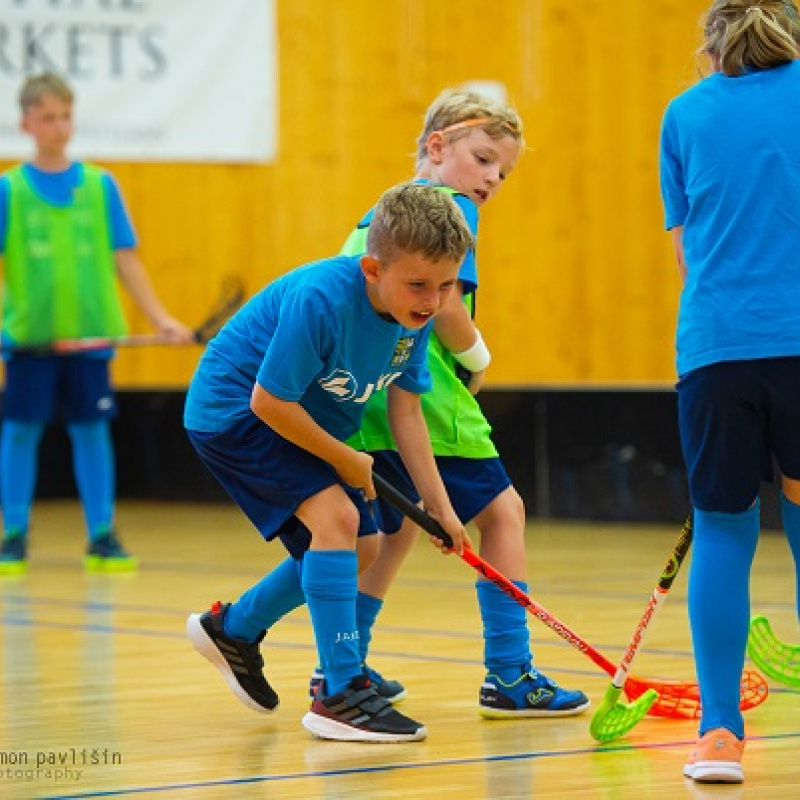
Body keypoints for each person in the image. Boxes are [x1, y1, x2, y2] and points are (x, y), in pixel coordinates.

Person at [307, 87, 590, 718]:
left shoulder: (380, 213)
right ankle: (511, 674)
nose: (492, 178)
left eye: (502, 170)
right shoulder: (452, 208)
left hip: (360, 395)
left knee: (400, 529)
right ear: (437, 145)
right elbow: (451, 305)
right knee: (505, 513)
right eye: (484, 157)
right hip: (419, 392)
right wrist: (477, 358)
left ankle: (339, 665)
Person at [184, 182, 474, 743]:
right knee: (337, 521)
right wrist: (345, 459)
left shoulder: (413, 317)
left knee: (363, 546)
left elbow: (406, 412)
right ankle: (340, 692)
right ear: (371, 268)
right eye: (418, 284)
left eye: (445, 286)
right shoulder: (323, 298)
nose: (432, 301)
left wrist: (440, 508)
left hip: (300, 416)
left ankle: (234, 628)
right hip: (235, 411)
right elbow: (267, 401)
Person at [659, 0, 800, 784]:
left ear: (710, 44)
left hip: (719, 350)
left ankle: (718, 735)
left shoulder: (684, 113)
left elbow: (690, 252)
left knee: (723, 531)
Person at [0, 73, 193, 576]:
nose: (59, 126)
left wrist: (161, 319)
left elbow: (127, 260)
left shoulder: (100, 186)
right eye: (47, 117)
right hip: (30, 340)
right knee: (20, 432)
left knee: (92, 432)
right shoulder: (9, 190)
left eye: (65, 115)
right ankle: (13, 534)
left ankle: (102, 535)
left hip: (90, 339)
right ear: (25, 122)